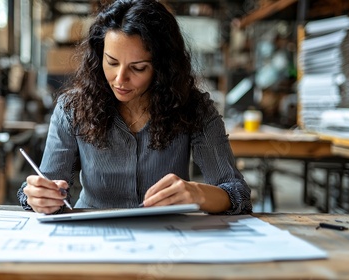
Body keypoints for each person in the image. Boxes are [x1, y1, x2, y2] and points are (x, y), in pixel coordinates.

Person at [17, 0, 252, 215]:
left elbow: (237, 194)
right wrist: (36, 196)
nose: (120, 79)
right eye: (111, 62)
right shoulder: (72, 108)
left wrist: (199, 194)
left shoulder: (194, 107)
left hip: (169, 237)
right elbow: (45, 185)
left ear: (162, 67)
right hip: (92, 235)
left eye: (138, 68)